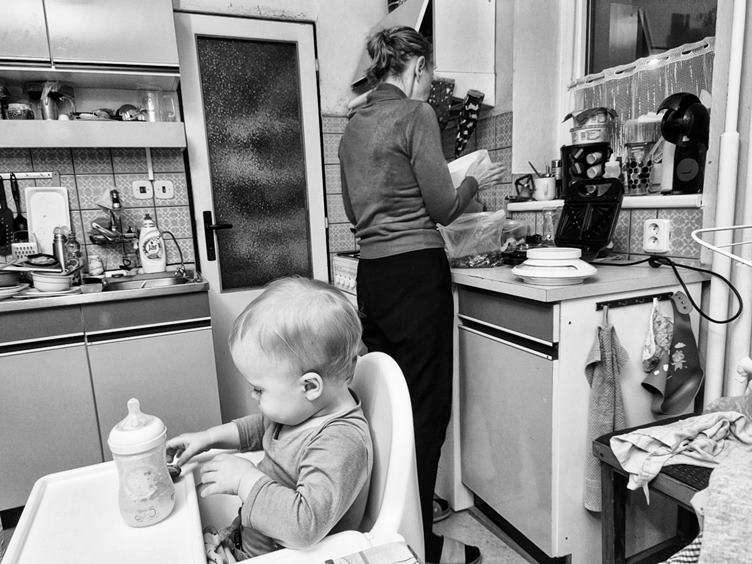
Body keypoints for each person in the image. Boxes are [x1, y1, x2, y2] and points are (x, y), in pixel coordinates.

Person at [338, 25, 504, 564]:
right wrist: (476, 180)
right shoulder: (416, 114)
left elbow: (353, 212)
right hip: (416, 274)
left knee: (386, 402)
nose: (430, 84)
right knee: (426, 410)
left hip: (374, 277)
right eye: (430, 74)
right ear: (415, 66)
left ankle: (391, 525)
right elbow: (443, 208)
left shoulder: (352, 126)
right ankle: (424, 545)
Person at [166, 277, 373, 559]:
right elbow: (262, 427)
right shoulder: (305, 411)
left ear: (309, 386)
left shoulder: (340, 443)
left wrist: (244, 480)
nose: (253, 395)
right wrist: (208, 438)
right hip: (248, 542)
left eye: (259, 389)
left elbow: (304, 525)